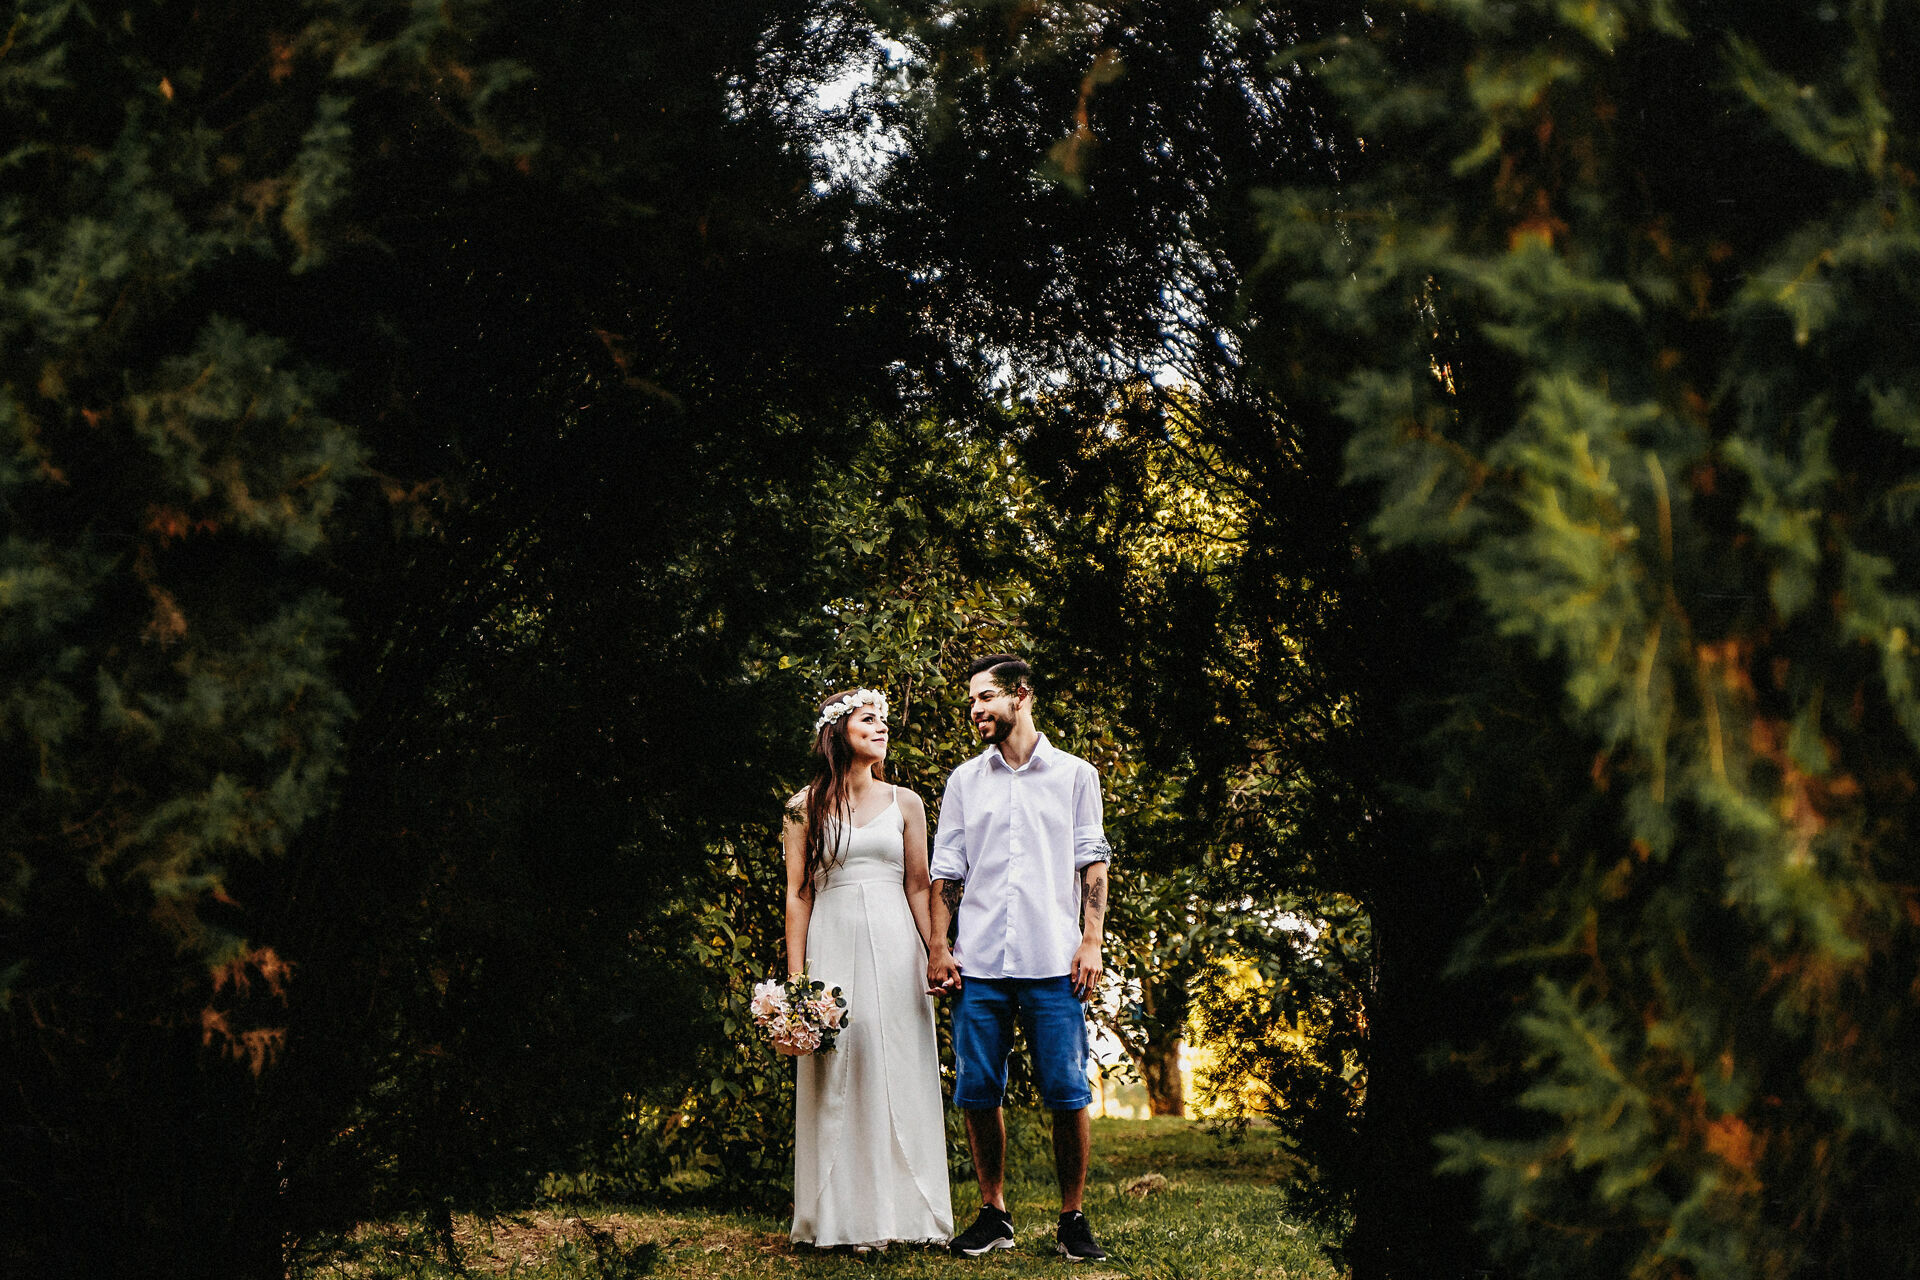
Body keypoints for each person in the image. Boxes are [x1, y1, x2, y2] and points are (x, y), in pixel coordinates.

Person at [927, 655, 1112, 1263]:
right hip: (978, 963)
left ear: (1021, 694)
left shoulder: (1076, 775)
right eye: (971, 703)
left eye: (984, 698)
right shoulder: (963, 782)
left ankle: (1072, 1219)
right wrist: (938, 946)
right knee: (978, 1089)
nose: (975, 711)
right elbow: (946, 873)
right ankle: (994, 1213)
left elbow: (1093, 859)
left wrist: (1092, 940)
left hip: (1055, 962)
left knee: (1066, 1091)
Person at [782, 687, 954, 1250]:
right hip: (830, 940)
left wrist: (936, 948)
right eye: (867, 719)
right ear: (838, 732)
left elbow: (919, 883)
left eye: (883, 720)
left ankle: (906, 1215)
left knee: (893, 1065)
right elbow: (798, 893)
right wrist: (796, 981)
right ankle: (838, 1219)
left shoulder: (907, 802)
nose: (881, 727)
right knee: (839, 1070)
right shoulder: (802, 806)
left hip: (895, 940)